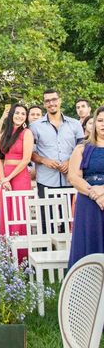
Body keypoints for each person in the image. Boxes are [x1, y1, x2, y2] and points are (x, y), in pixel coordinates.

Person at [29, 90, 84, 206]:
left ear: (60, 100)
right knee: (46, 220)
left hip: (71, 179)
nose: (51, 103)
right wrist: (44, 160)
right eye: (47, 101)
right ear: (44, 104)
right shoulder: (34, 126)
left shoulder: (75, 124)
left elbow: (82, 148)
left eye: (54, 99)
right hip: (46, 180)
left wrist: (70, 162)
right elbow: (30, 153)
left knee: (69, 221)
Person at [67, 105, 104, 268]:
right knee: (89, 243)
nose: (103, 124)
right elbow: (73, 177)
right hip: (88, 204)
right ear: (95, 123)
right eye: (101, 120)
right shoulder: (82, 148)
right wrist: (94, 194)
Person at [0, 104, 34, 240]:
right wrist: (3, 179)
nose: (20, 116)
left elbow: (26, 159)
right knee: (7, 212)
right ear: (11, 114)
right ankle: (5, 251)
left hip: (20, 176)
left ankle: (21, 254)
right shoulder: (4, 134)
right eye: (17, 113)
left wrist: (9, 178)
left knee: (19, 212)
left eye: (23, 114)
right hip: (5, 177)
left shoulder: (27, 133)